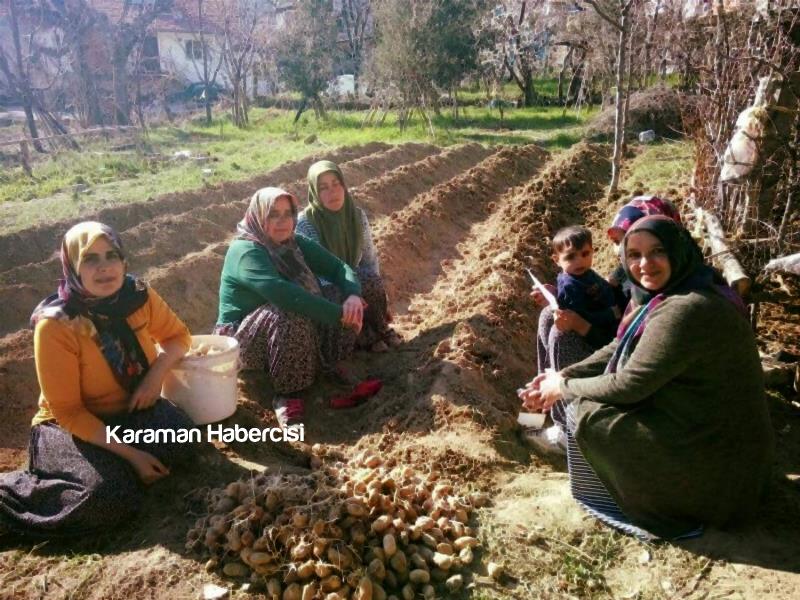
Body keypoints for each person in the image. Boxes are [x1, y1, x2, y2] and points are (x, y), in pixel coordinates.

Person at [520, 216, 773, 540]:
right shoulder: (665, 293)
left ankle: (638, 494)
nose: (645, 264)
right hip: (703, 425)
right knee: (552, 327)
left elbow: (631, 384)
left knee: (586, 412)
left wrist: (564, 387)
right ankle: (563, 428)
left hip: (719, 473)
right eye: (635, 255)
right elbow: (619, 344)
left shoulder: (687, 308)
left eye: (657, 252)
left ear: (678, 251)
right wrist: (561, 376)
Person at [0, 222, 194, 538]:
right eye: (90, 259)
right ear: (73, 267)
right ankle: (11, 496)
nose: (104, 268)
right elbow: (69, 411)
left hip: (127, 411)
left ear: (124, 260)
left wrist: (153, 377)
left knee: (185, 441)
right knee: (107, 497)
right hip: (67, 426)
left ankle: (117, 467)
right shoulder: (57, 324)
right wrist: (133, 456)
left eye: (111, 255)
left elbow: (177, 337)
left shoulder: (137, 295)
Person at [215, 187, 366, 426]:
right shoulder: (245, 250)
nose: (283, 221)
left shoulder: (293, 243)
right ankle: (287, 394)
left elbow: (339, 268)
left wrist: (353, 297)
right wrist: (339, 317)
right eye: (273, 214)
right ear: (257, 215)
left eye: (288, 214)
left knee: (337, 293)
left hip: (282, 331)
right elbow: (282, 294)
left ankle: (330, 364)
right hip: (243, 345)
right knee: (289, 311)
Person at [296, 160, 400, 352]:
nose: (332, 192)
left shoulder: (357, 217)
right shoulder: (305, 224)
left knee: (372, 280)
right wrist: (349, 292)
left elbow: (369, 259)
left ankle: (378, 329)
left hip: (351, 278)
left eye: (336, 184)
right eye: (324, 187)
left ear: (344, 185)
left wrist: (371, 295)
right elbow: (312, 273)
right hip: (322, 286)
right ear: (315, 192)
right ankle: (355, 341)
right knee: (336, 296)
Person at [606, 195, 682, 311]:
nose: (644, 263)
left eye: (657, 251)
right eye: (618, 242)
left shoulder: (675, 304)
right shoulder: (626, 271)